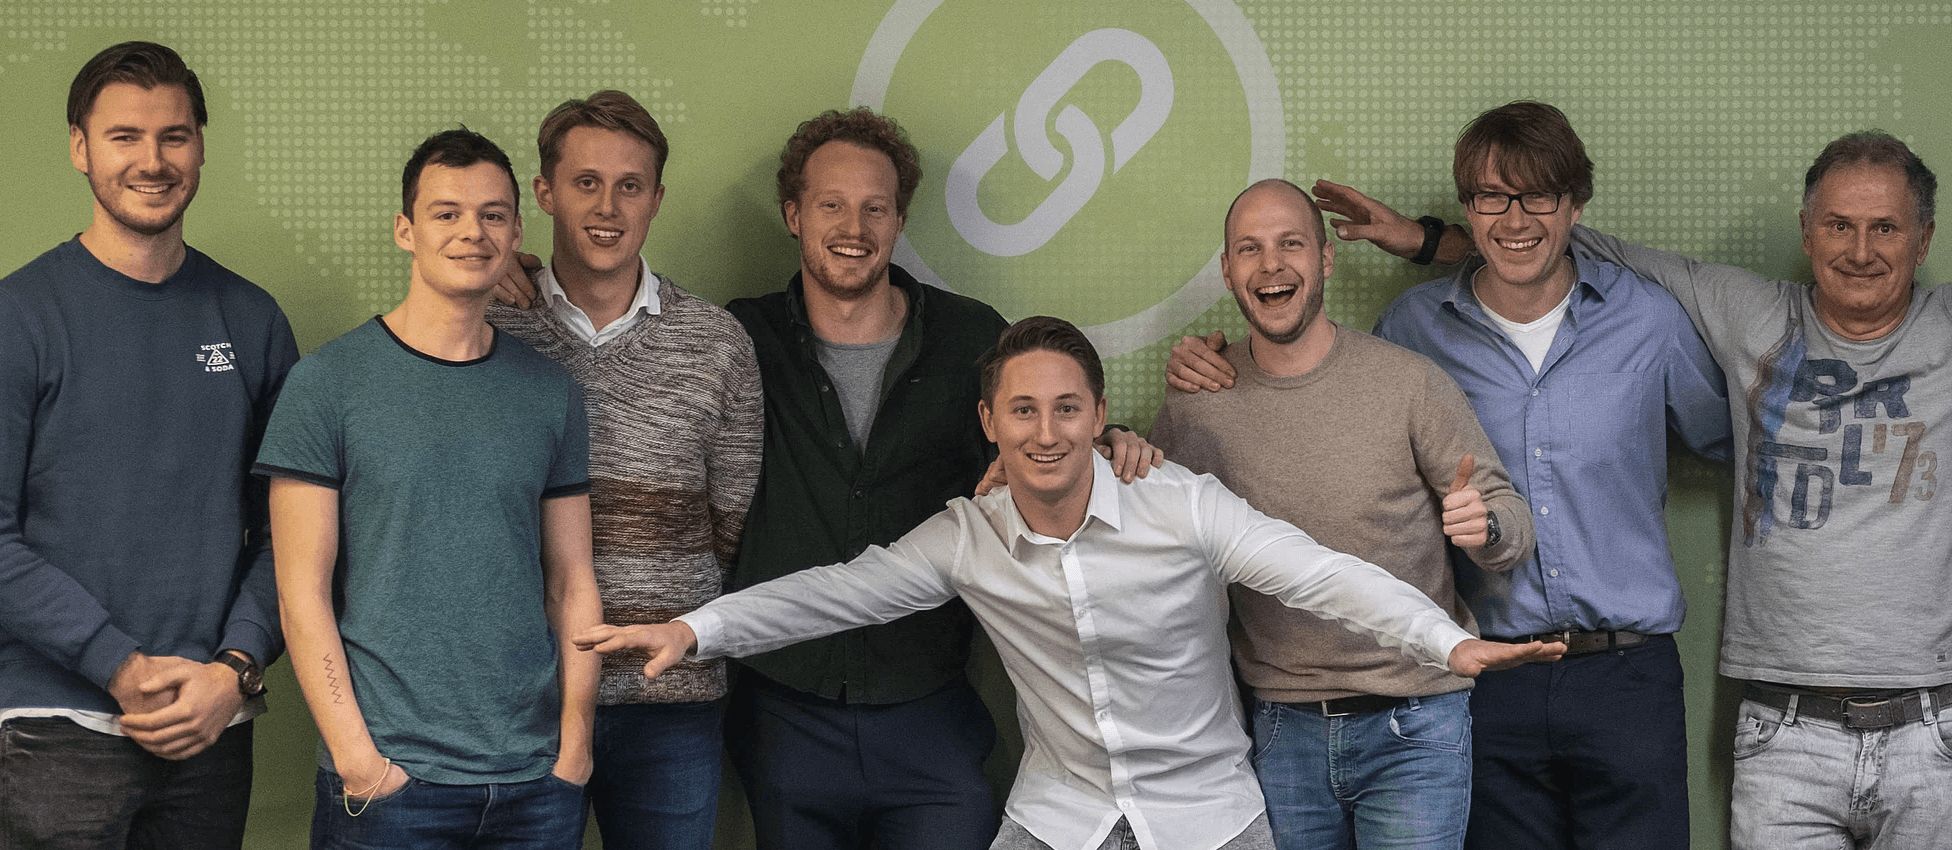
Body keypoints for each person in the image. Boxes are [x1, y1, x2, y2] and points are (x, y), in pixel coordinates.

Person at [577, 315, 1563, 850]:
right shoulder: (968, 536)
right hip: (1061, 818)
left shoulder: (1180, 505)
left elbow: (1319, 574)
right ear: (989, 423)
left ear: (1098, 416)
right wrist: (694, 630)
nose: (1044, 432)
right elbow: (835, 591)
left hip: (1208, 819)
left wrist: (1445, 641)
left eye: (1065, 409)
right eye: (1022, 411)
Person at [1168, 102, 1731, 850]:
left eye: (1538, 196)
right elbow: (1319, 407)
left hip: (1626, 673)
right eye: (1492, 198)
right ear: (1469, 208)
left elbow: (1727, 437)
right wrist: (1204, 371)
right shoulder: (1414, 330)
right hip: (1485, 679)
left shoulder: (1648, 319)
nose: (1514, 218)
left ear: (1575, 205)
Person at [721, 107, 1158, 850]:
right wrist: (525, 280)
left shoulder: (969, 336)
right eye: (830, 204)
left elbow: (1042, 423)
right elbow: (629, 328)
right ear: (793, 215)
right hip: (785, 708)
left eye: (875, 207)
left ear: (899, 221)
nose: (853, 226)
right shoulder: (738, 337)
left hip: (929, 702)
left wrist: (1105, 441)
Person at [1147, 178, 1534, 850]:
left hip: (1417, 722)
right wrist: (1092, 445)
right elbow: (1140, 524)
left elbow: (1509, 519)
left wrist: (1487, 526)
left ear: (1325, 257)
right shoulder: (1197, 402)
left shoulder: (1409, 382)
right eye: (1250, 249)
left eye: (1291, 244)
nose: (1271, 265)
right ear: (1228, 271)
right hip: (1280, 727)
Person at [257, 127, 602, 849]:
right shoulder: (327, 385)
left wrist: (574, 748)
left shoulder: (550, 392)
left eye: (492, 214)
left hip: (536, 783)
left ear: (515, 233)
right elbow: (300, 594)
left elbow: (572, 581)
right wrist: (359, 761)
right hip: (390, 785)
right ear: (405, 230)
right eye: (446, 213)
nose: (472, 231)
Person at [0, 41, 298, 849]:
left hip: (211, 724)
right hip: (53, 728)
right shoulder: (19, 318)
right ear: (80, 148)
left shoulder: (252, 320)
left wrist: (235, 668)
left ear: (199, 146)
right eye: (124, 136)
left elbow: (290, 534)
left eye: (174, 136)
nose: (153, 161)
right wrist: (117, 664)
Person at [485, 90, 762, 850]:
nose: (608, 207)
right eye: (586, 182)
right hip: (519, 696)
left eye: (630, 186)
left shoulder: (717, 343)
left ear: (657, 200)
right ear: (544, 193)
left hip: (668, 696)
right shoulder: (483, 326)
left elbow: (731, 525)